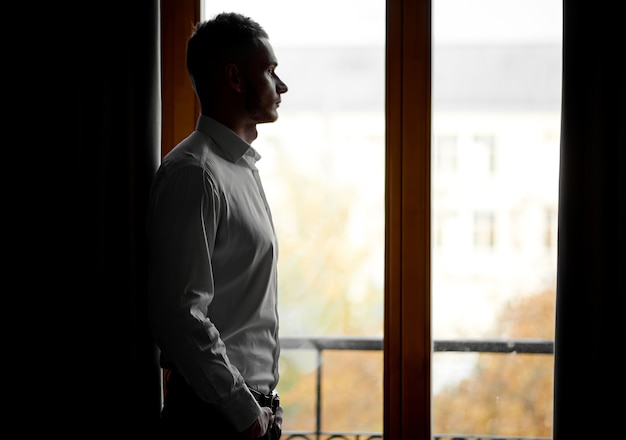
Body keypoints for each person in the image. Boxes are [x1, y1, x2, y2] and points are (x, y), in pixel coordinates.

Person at [147, 12, 288, 439]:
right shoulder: (194, 173)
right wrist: (243, 412)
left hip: (247, 415)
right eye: (270, 71)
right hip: (213, 421)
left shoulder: (240, 170)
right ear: (234, 77)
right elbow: (180, 313)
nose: (281, 86)